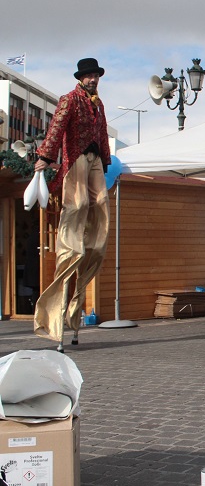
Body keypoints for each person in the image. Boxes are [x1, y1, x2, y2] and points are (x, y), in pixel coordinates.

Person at [33, 58, 111, 352]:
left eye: (95, 76)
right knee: (77, 205)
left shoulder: (98, 104)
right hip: (76, 158)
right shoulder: (70, 100)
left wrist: (106, 159)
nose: (93, 80)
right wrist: (46, 156)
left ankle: (91, 242)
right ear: (81, 78)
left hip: (95, 160)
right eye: (88, 76)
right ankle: (56, 317)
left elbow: (102, 133)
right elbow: (56, 128)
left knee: (100, 203)